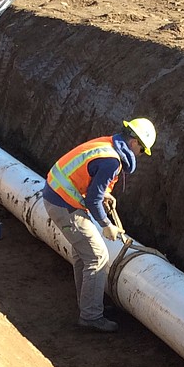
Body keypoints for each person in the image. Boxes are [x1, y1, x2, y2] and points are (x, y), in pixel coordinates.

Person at [42, 118, 157, 333]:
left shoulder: (107, 144)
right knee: (97, 257)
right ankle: (91, 316)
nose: (141, 154)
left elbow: (90, 179)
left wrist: (105, 194)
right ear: (134, 142)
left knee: (83, 255)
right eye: (142, 150)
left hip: (57, 198)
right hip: (64, 206)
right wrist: (106, 224)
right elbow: (93, 199)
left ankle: (90, 305)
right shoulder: (112, 161)